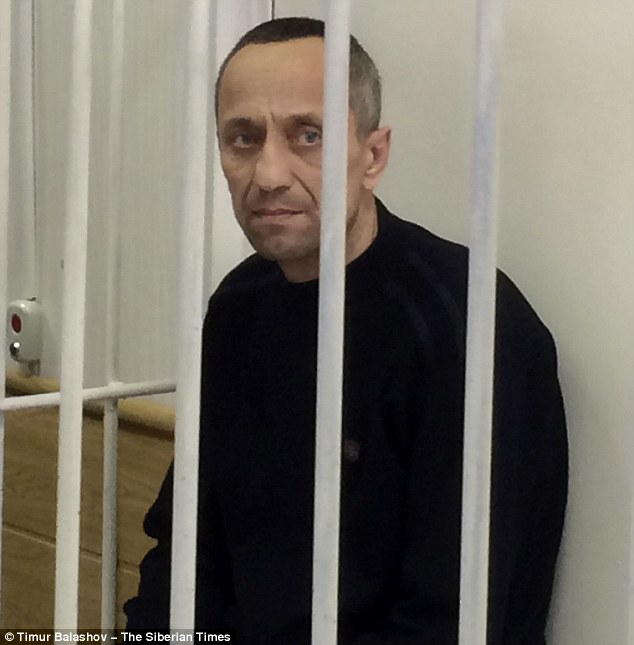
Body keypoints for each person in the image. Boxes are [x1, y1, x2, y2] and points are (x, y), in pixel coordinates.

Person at [124, 17, 568, 644]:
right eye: (244, 138)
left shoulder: (468, 328)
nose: (269, 173)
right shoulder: (239, 306)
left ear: (373, 156)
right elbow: (186, 550)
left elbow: (449, 621)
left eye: (308, 135)